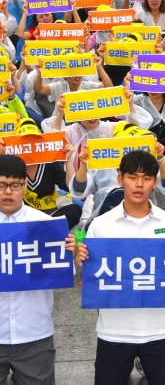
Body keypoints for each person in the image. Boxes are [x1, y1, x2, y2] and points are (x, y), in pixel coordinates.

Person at [75, 150, 165, 385]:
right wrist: (81, 261)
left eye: (146, 178)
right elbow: (92, 280)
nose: (139, 184)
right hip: (113, 331)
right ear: (120, 178)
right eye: (132, 177)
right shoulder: (101, 225)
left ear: (154, 182)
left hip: (159, 328)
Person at [0, 154, 76, 385]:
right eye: (1, 185)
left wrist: (71, 252)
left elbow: (61, 273)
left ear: (25, 185)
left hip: (34, 332)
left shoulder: (45, 225)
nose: (8, 192)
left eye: (15, 185)